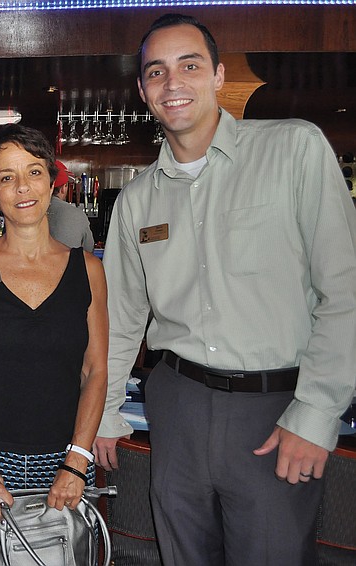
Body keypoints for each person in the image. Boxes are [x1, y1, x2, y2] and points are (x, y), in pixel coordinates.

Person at [94, 13, 356, 565]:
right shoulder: (137, 199)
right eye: (157, 72)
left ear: (217, 76)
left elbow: (345, 289)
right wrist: (107, 411)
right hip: (178, 406)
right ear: (143, 91)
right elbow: (120, 318)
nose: (173, 83)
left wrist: (316, 411)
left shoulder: (294, 150)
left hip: (276, 409)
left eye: (189, 65)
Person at [0, 124, 108, 564]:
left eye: (33, 172)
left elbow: (96, 371)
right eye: (6, 177)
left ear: (52, 179)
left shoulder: (88, 269)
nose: (22, 188)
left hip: (64, 462)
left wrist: (76, 463)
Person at [48, 160, 95, 251]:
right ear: (63, 188)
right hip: (71, 264)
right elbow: (89, 250)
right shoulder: (77, 214)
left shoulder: (29, 211)